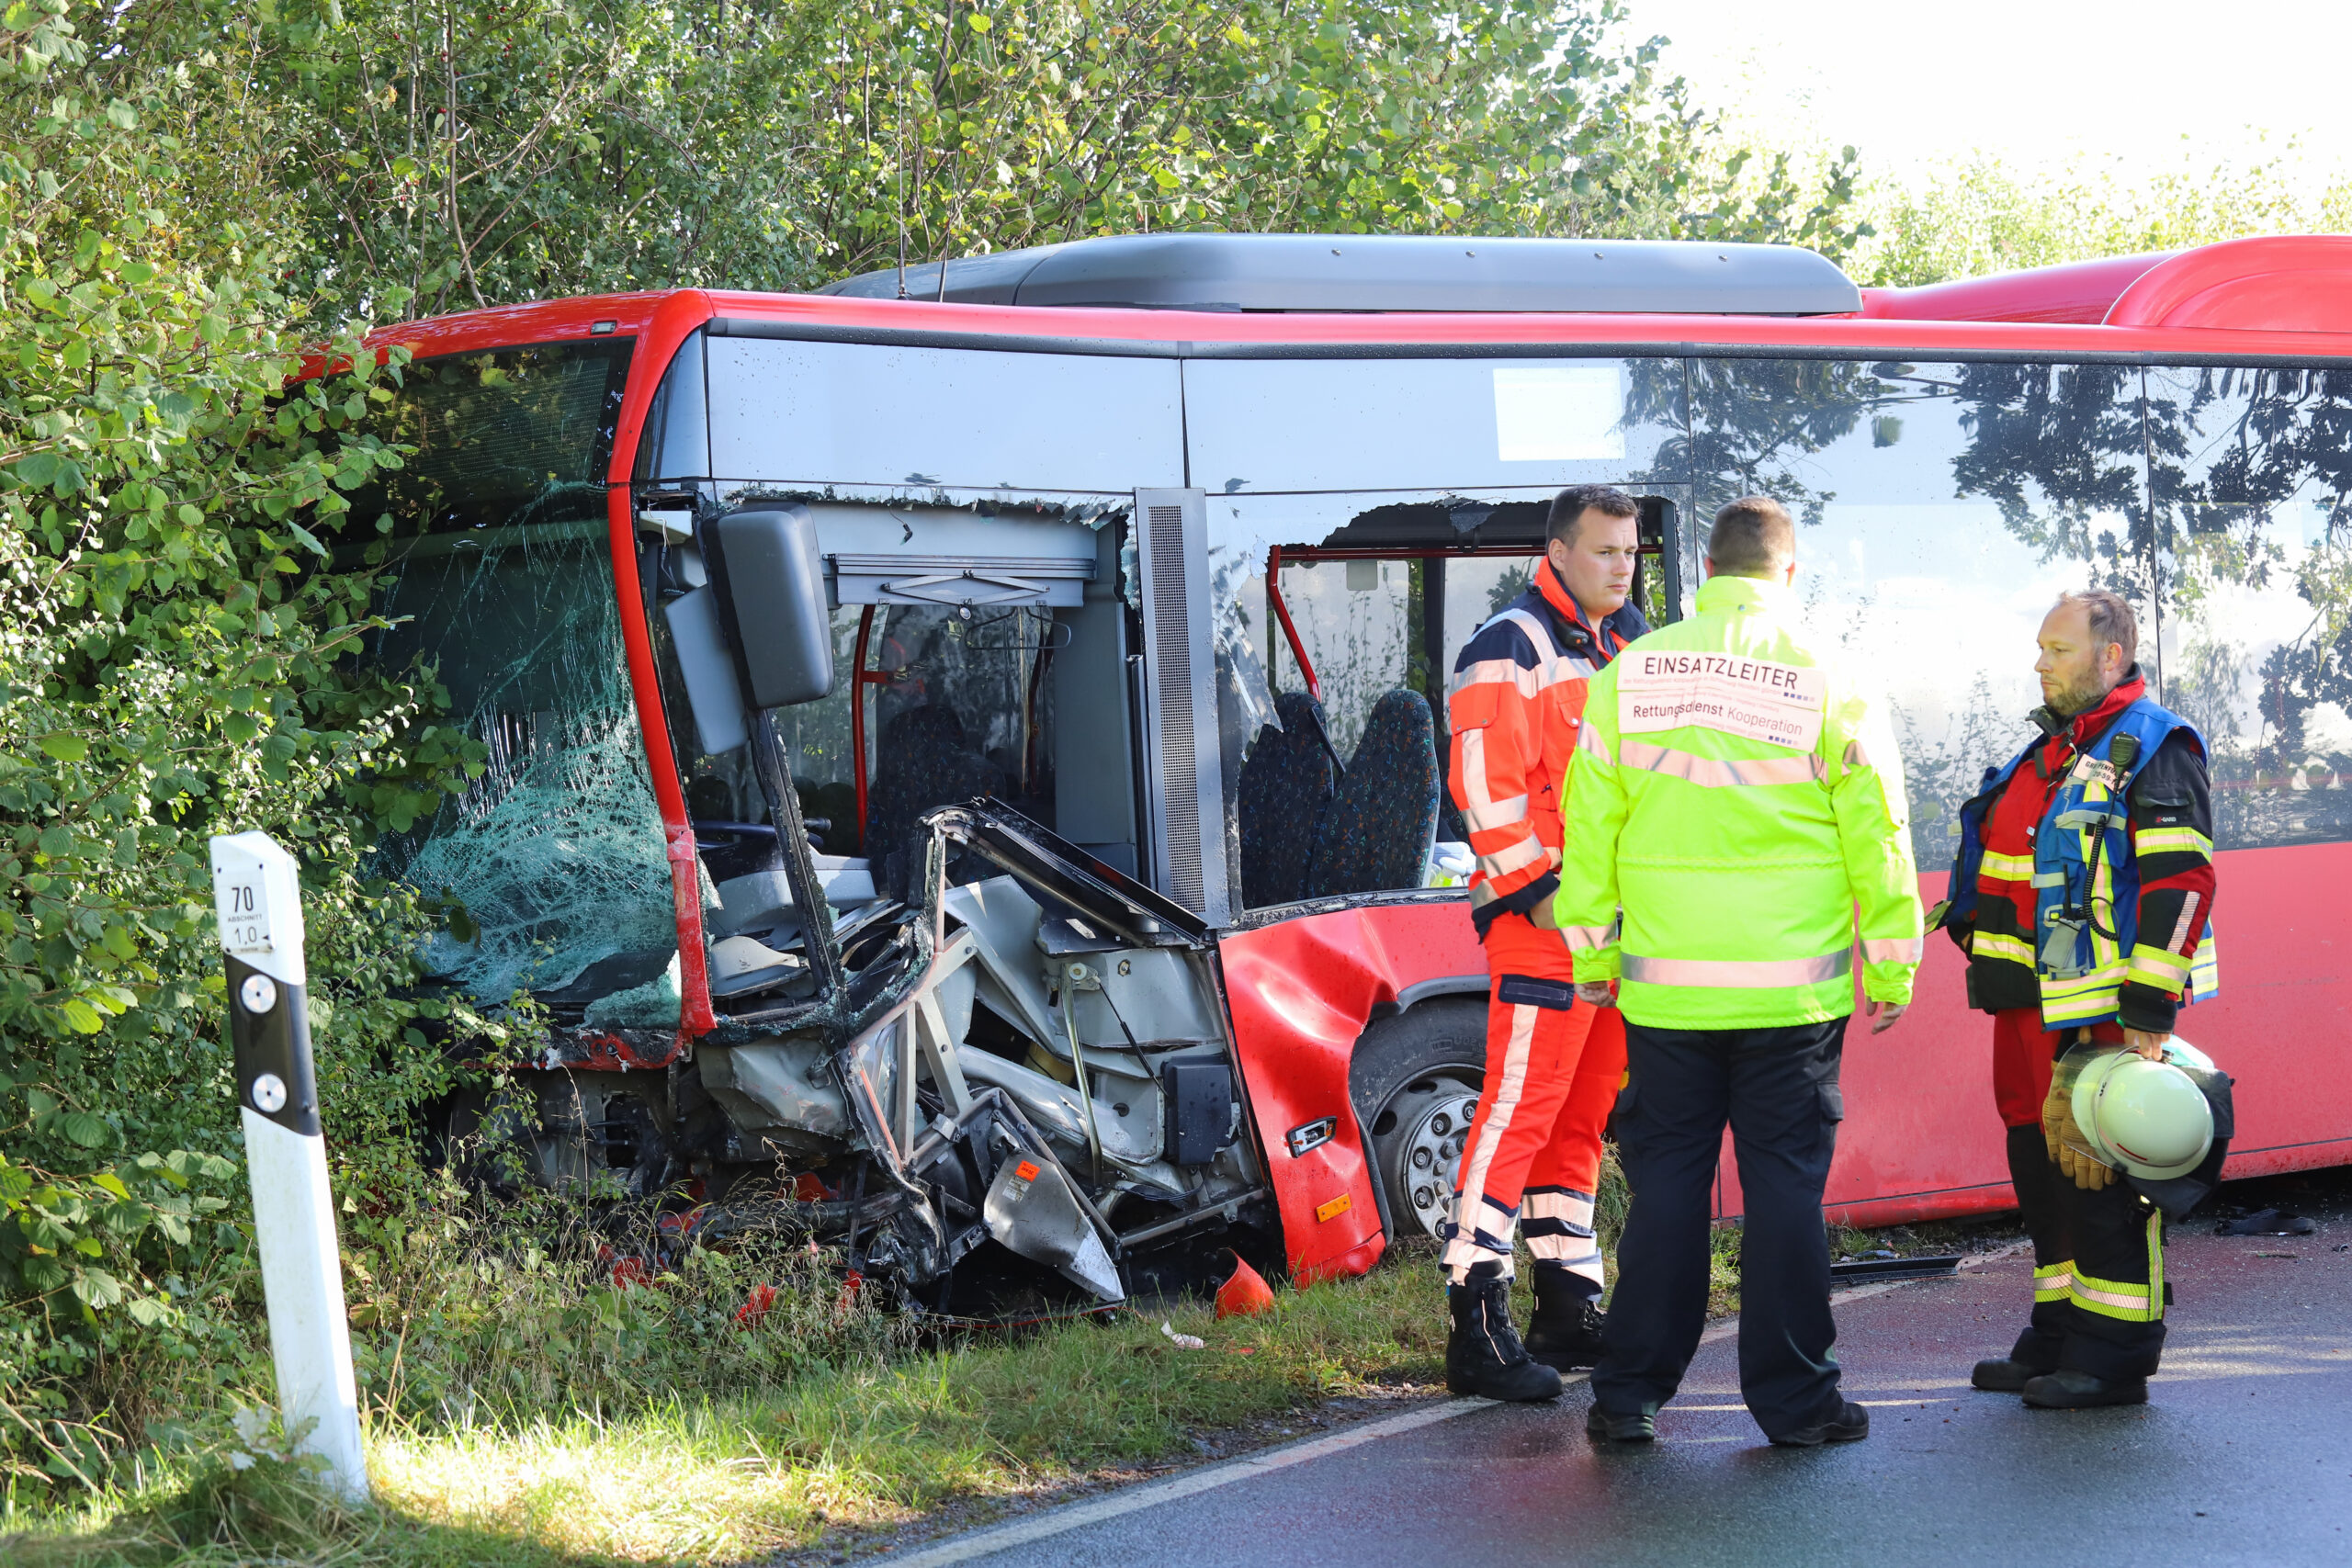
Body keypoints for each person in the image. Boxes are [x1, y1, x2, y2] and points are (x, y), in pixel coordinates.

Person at [1555, 495, 1922, 1446]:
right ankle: (1797, 1405)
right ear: (1787, 574)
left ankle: (1627, 1394)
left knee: (1668, 1190)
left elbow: (1588, 825)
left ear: (1701, 573)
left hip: (1667, 991)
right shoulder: (1828, 676)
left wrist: (1591, 950)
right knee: (1785, 1194)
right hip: (1789, 994)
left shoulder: (1629, 674)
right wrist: (1892, 959)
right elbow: (1876, 832)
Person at [1940, 589, 2217, 1409]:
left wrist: (2148, 1013)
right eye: (2040, 648)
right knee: (2042, 1172)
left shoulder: (2155, 746)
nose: (2040, 663)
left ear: (2109, 655)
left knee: (2102, 1174)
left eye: (2057, 649)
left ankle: (2114, 1352)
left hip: (2101, 1017)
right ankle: (2058, 1329)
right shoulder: (2051, 752)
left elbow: (2184, 882)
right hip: (2026, 1010)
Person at [1437, 483, 1647, 1401]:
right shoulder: (1506, 646)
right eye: (1604, 552)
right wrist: (1543, 894)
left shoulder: (1631, 645)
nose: (1620, 567)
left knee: (1580, 1122)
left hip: (1612, 930)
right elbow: (1484, 786)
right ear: (1557, 553)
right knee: (1519, 1114)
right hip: (1542, 925)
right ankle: (1475, 1320)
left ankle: (1568, 1304)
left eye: (1630, 553)